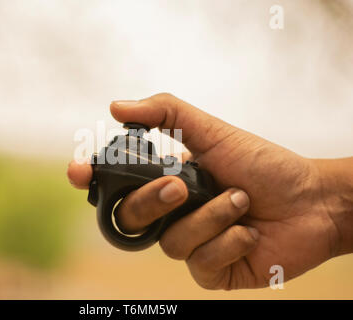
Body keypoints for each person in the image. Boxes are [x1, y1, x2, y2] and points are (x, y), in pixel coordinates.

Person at [67, 93, 353, 290]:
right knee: (169, 197)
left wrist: (318, 198)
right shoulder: (186, 177)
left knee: (170, 197)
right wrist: (318, 200)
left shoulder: (132, 163)